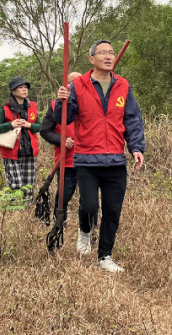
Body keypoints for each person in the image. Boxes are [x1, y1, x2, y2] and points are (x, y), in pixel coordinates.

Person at [56, 41, 145, 273]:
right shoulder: (78, 85)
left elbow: (132, 119)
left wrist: (136, 147)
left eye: (111, 53)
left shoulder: (123, 85)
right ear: (91, 59)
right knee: (89, 206)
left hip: (115, 159)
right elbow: (64, 119)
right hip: (86, 159)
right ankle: (84, 231)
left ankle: (104, 256)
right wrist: (61, 100)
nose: (108, 56)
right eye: (103, 53)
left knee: (112, 210)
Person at [40, 72, 96, 234]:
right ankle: (58, 226)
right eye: (73, 83)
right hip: (67, 162)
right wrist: (62, 140)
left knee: (90, 201)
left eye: (80, 82)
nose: (77, 86)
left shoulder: (92, 104)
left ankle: (89, 232)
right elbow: (45, 131)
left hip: (89, 161)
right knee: (63, 198)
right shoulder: (55, 106)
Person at [0, 77, 41, 199]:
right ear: (13, 91)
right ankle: (13, 210)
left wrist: (29, 125)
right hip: (11, 152)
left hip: (29, 151)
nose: (24, 90)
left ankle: (27, 211)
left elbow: (39, 126)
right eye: (21, 87)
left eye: (25, 87)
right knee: (16, 185)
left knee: (29, 185)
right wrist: (11, 125)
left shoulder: (32, 106)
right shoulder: (5, 109)